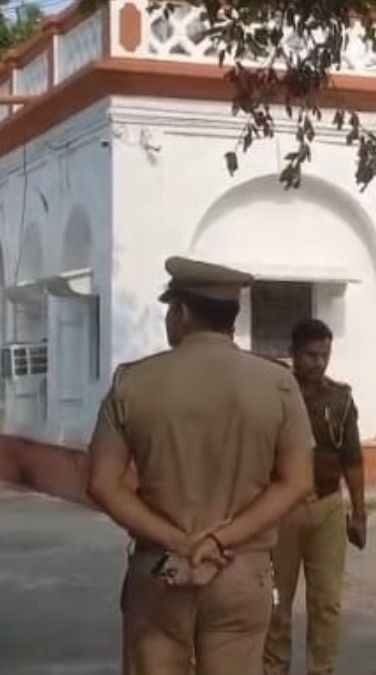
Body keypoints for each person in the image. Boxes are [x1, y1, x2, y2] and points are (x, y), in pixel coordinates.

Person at [86, 256, 315, 675]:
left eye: (170, 311)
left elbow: (102, 483)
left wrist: (177, 539)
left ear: (182, 312)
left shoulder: (132, 382)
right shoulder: (278, 383)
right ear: (231, 317)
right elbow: (297, 482)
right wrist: (218, 541)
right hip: (240, 568)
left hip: (161, 566)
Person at [264, 319, 366, 675]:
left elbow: (352, 459)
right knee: (276, 600)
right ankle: (274, 668)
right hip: (280, 509)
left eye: (324, 355)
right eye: (310, 355)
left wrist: (359, 513)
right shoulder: (274, 392)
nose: (318, 363)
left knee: (326, 601)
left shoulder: (340, 398)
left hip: (326, 507)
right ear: (293, 353)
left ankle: (320, 668)